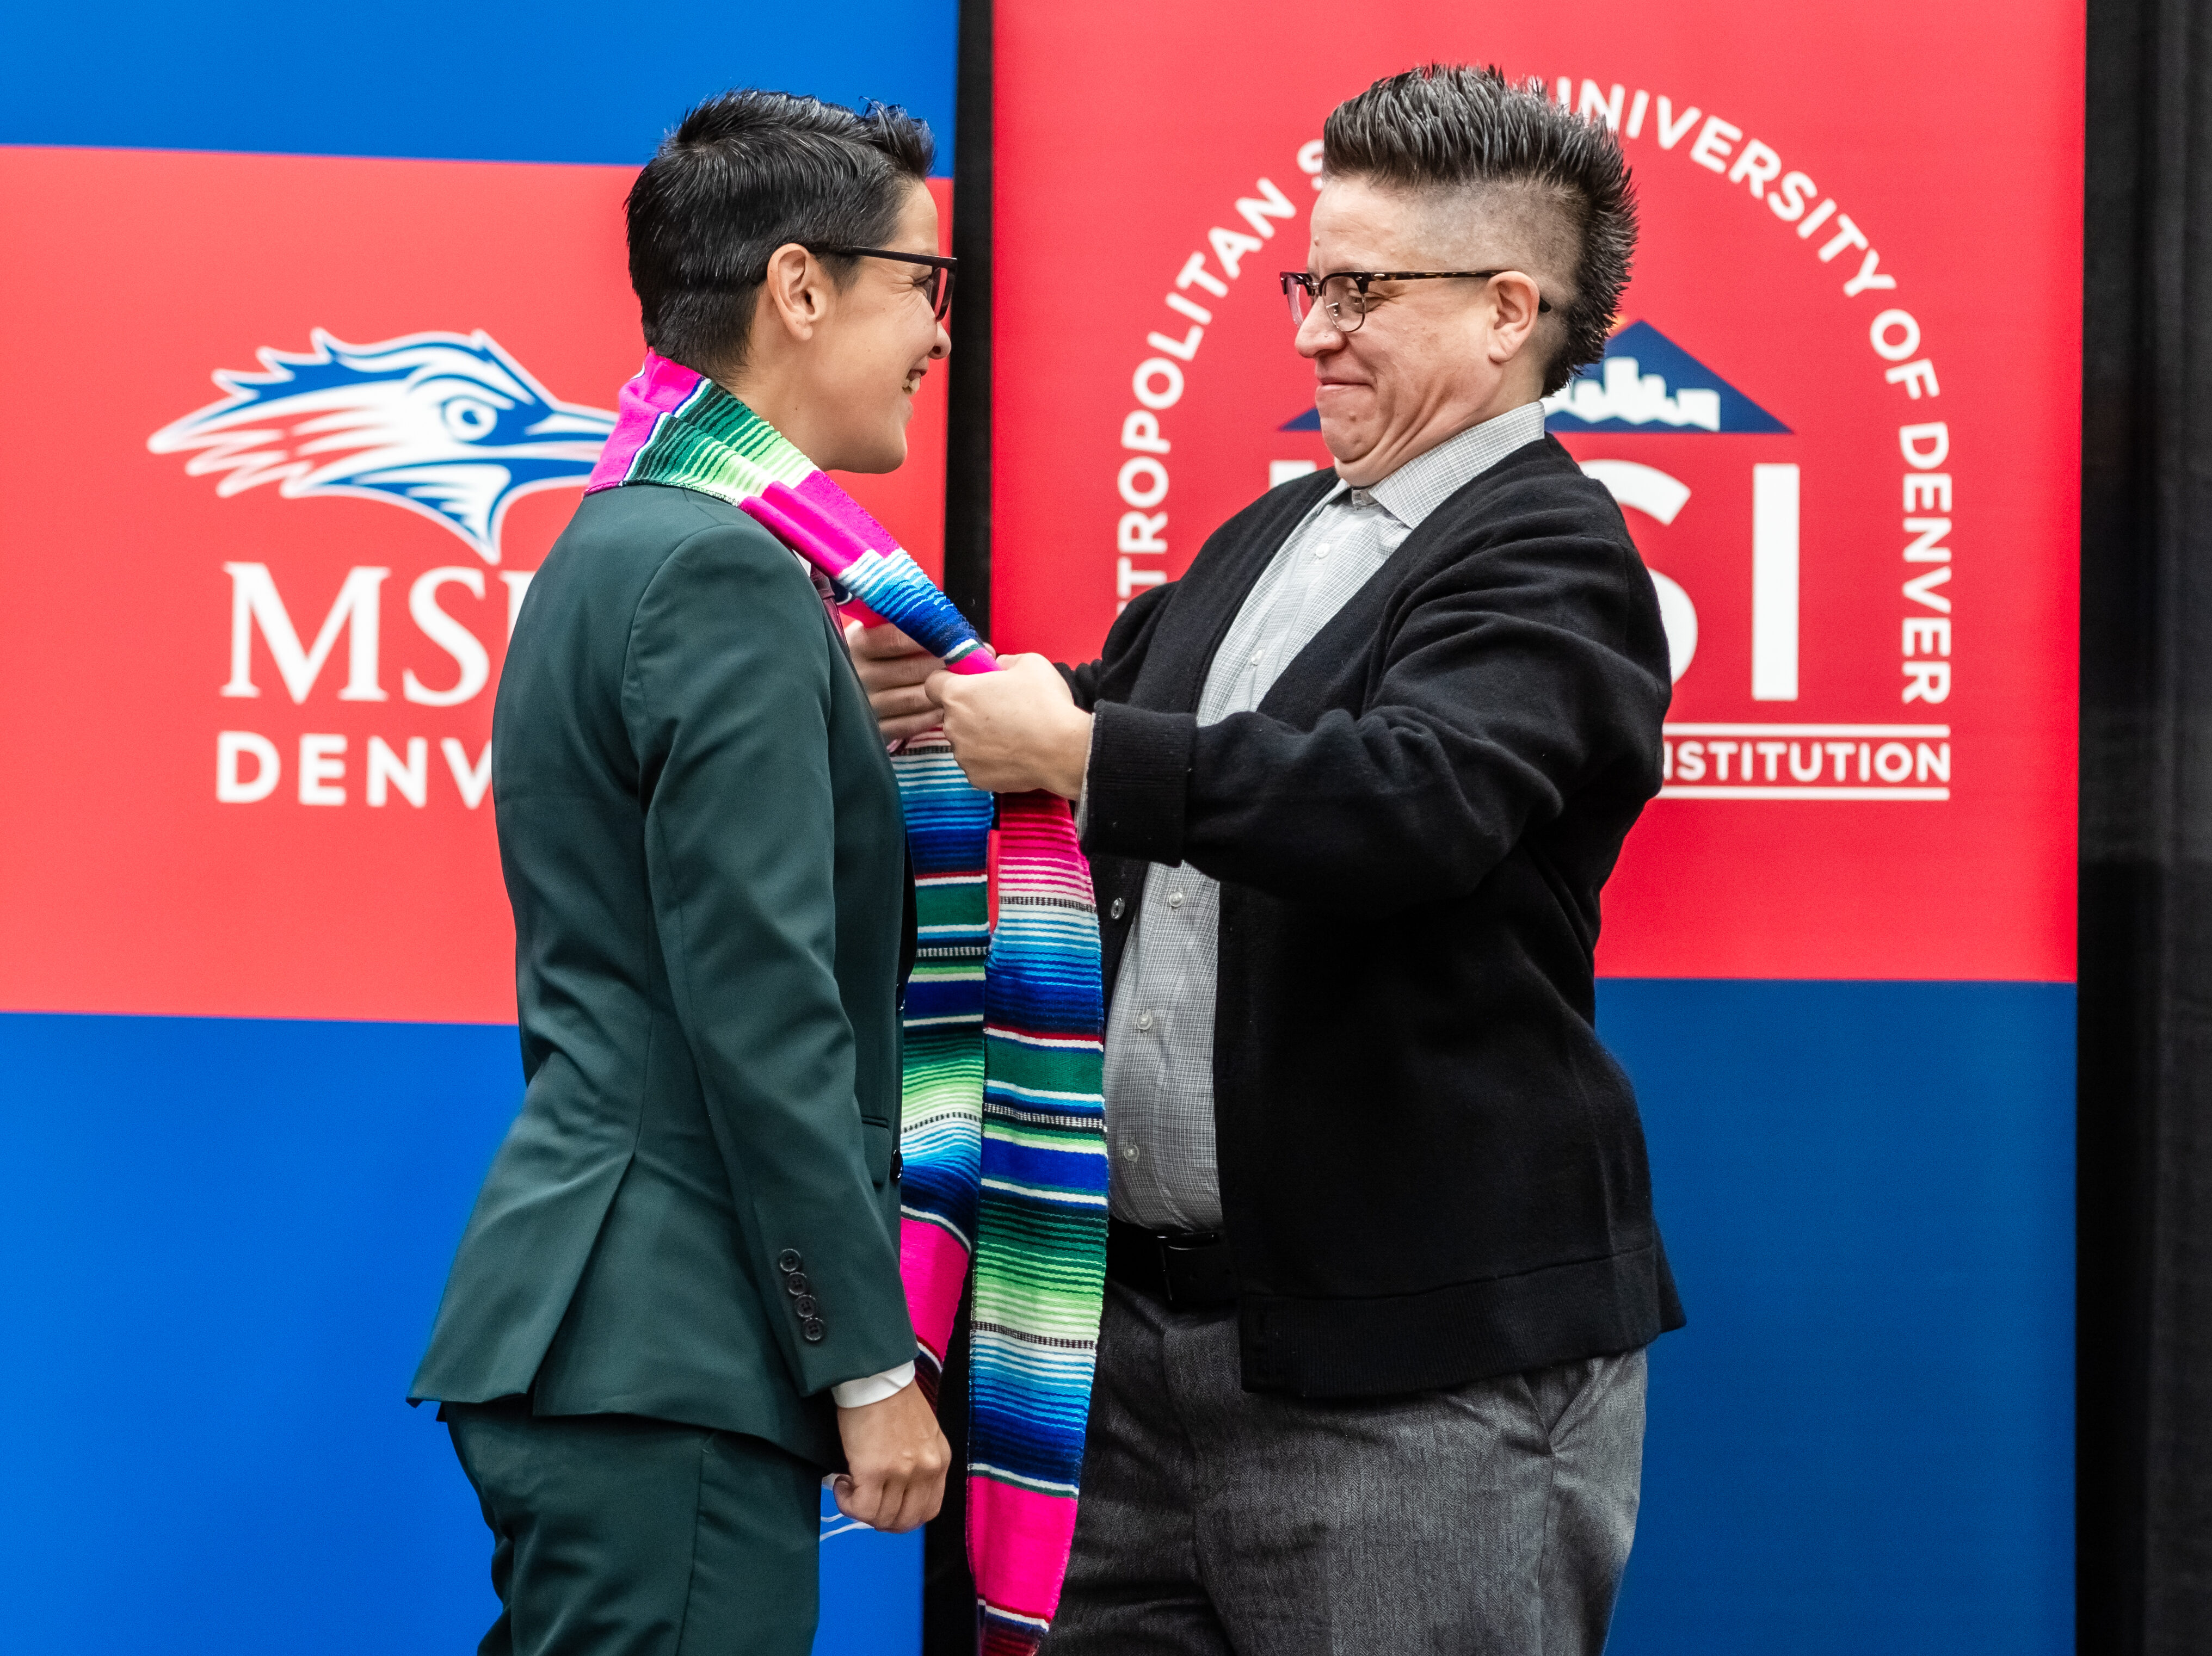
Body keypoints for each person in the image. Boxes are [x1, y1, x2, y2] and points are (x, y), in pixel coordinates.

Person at [859, 63, 1677, 1654]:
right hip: (1128, 1365)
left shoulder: (1557, 555)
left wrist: (1086, 752)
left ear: (1511, 310)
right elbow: (1125, 740)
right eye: (1310, 281)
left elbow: (1412, 801)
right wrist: (946, 707)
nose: (1312, 327)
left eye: (1360, 288)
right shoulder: (1272, 532)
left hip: (1410, 1383)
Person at [411, 88, 954, 1654]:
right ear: (801, 288)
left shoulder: (631, 540)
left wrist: (819, 715)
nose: (938, 333)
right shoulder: (722, 569)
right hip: (667, 1351)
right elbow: (759, 1003)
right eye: (924, 284)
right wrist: (869, 1358)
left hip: (618, 1348)